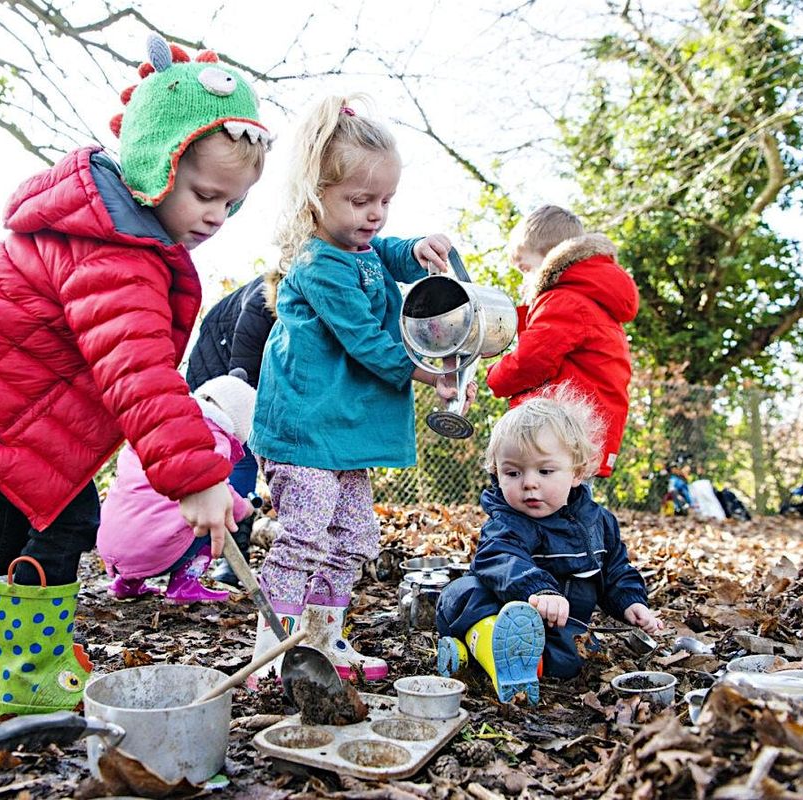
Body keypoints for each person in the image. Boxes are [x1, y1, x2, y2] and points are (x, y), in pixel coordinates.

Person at [0, 33, 271, 714]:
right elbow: (136, 372)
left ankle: (28, 660)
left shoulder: (120, 234)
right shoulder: (115, 251)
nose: (217, 215)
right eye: (207, 194)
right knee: (45, 526)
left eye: (231, 204)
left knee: (16, 532)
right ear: (157, 164)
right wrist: (198, 474)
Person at [247, 95, 468, 683]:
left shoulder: (360, 248)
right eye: (360, 201)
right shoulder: (318, 265)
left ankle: (321, 640)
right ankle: (273, 650)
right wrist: (427, 370)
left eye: (386, 202)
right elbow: (365, 340)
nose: (375, 214)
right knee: (305, 534)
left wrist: (416, 248)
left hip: (343, 431)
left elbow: (383, 254)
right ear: (316, 196)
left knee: (354, 534)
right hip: (306, 428)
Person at [435, 389, 661, 703]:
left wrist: (630, 602)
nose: (529, 483)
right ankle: (486, 640)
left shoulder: (599, 523)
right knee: (459, 594)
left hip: (557, 626)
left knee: (577, 656)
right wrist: (539, 589)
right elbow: (500, 556)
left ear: (577, 473)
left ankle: (512, 662)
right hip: (498, 609)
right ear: (496, 473)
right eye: (512, 472)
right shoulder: (507, 521)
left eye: (544, 471)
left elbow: (616, 570)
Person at [485, 205, 637, 479]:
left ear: (550, 258)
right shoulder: (591, 299)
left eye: (525, 269)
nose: (523, 281)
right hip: (581, 432)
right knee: (570, 503)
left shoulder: (563, 301)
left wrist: (494, 375)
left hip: (559, 434)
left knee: (544, 502)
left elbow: (532, 362)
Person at [98, 373, 257, 603]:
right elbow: (217, 494)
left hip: (112, 543)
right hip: (151, 550)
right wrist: (245, 508)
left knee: (151, 507)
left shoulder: (157, 428)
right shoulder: (211, 440)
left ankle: (127, 582)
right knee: (212, 518)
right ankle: (185, 584)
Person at [184, 270, 280, 587]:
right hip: (221, 373)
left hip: (252, 375)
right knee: (242, 456)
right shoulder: (261, 303)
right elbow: (242, 380)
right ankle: (228, 562)